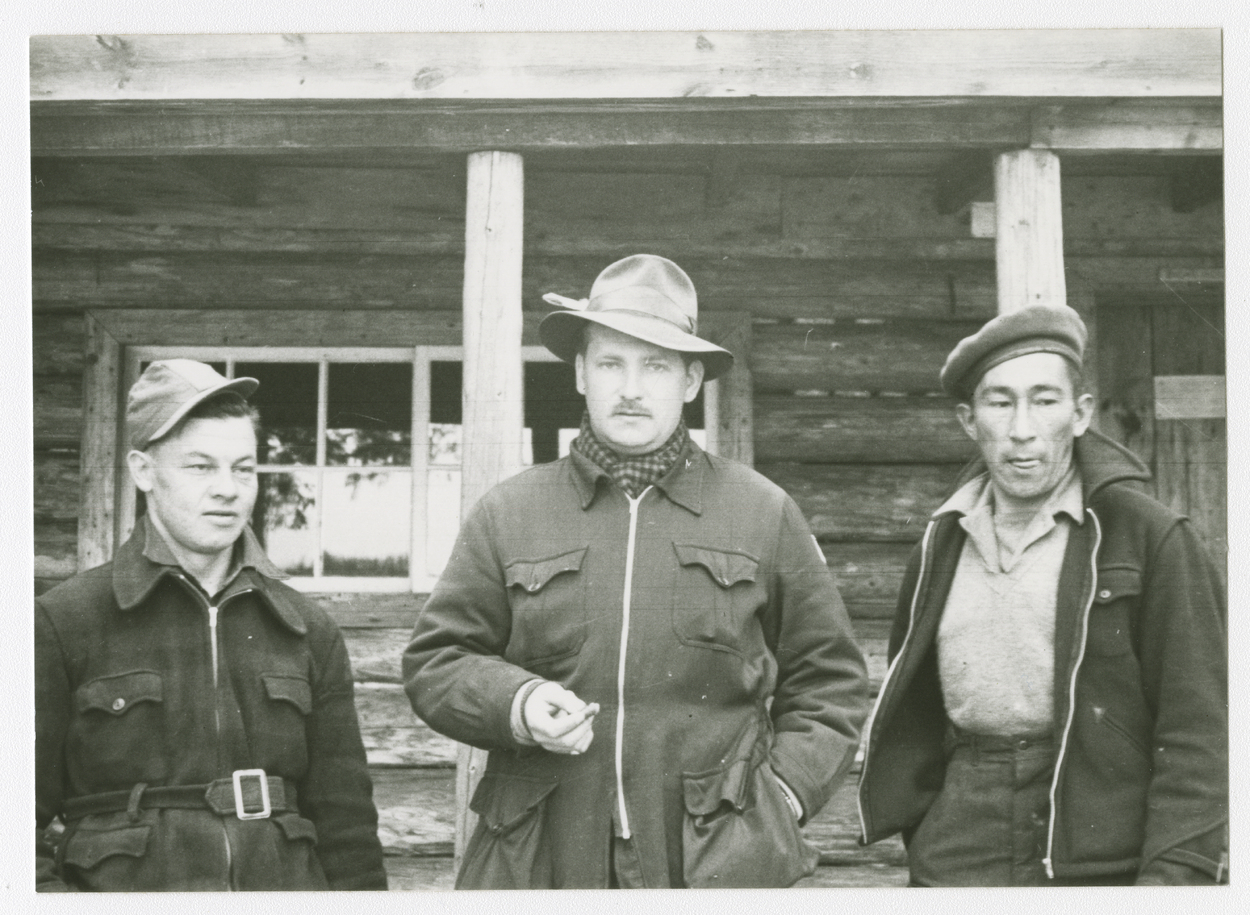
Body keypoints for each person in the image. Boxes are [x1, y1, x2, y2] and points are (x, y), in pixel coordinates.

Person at [403, 254, 868, 888]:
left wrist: (781, 800)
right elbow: (436, 662)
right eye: (610, 364)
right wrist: (518, 702)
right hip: (540, 854)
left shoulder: (761, 511)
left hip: (711, 858)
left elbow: (830, 681)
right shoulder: (509, 512)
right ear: (580, 374)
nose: (630, 388)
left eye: (655, 366)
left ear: (690, 380)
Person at [857, 304, 1228, 886]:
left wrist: (1175, 873)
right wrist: (926, 829)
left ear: (1080, 414)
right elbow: (918, 711)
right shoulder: (939, 544)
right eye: (1000, 403)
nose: (1022, 429)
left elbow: (1200, 728)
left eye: (1045, 400)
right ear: (968, 420)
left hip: (1104, 848)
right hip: (961, 846)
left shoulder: (1150, 538)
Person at [36, 359, 387, 891]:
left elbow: (349, 832)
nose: (228, 489)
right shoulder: (65, 620)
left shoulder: (307, 630)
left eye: (243, 469)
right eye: (201, 467)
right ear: (143, 471)